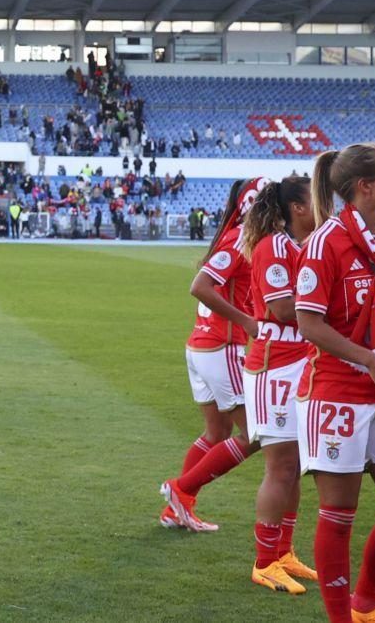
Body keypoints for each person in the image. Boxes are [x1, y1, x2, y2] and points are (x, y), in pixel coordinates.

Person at [294, 144, 375, 623]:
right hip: (337, 392)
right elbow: (306, 321)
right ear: (365, 186)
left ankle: (364, 602)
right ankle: (342, 618)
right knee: (338, 516)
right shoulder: (326, 242)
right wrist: (368, 359)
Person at [159, 179, 266, 531]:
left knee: (216, 431)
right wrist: (247, 321)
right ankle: (181, 489)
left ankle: (177, 508)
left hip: (203, 345)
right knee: (253, 435)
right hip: (221, 345)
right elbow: (200, 287)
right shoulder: (241, 239)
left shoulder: (237, 236)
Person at [240, 175, 318, 594]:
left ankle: (283, 551)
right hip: (275, 366)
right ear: (298, 208)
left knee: (294, 468)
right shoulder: (274, 246)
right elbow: (283, 308)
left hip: (301, 361)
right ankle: (264, 560)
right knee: (280, 467)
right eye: (320, 200)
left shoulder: (307, 245)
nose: (330, 207)